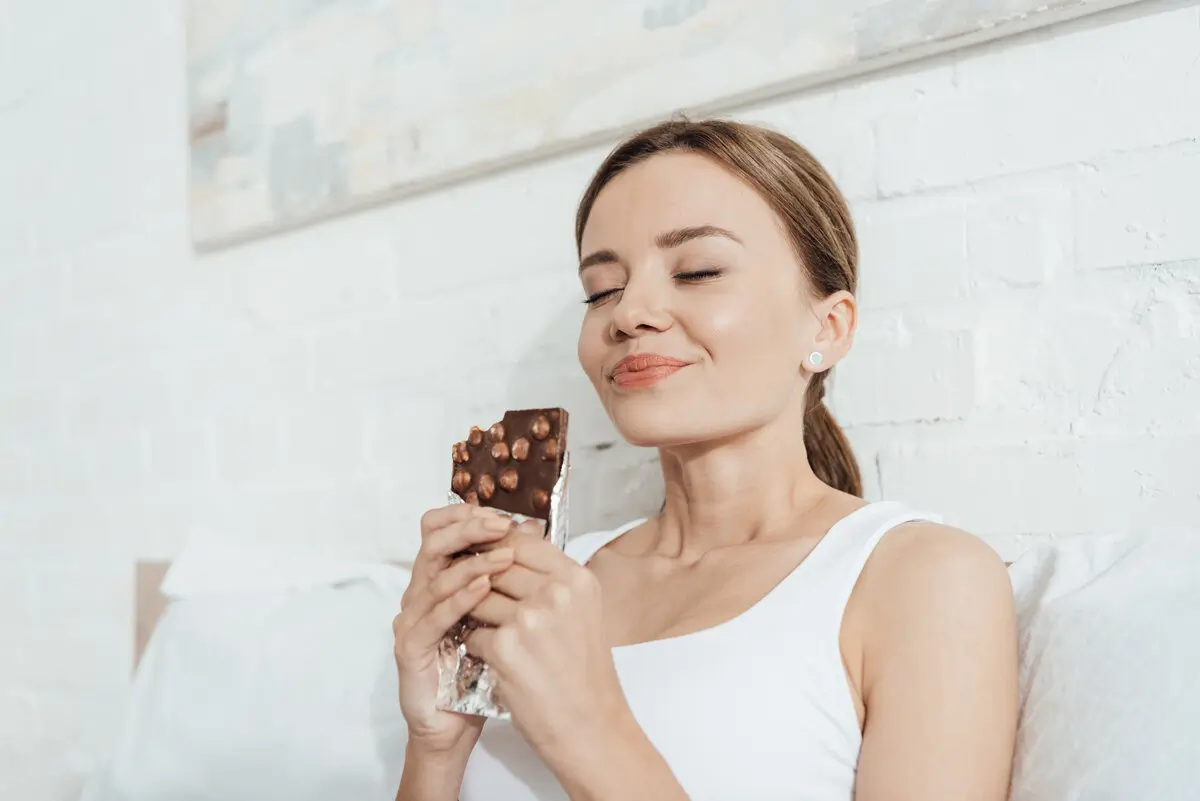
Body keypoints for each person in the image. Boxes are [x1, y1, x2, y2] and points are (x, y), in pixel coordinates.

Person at [392, 118, 1019, 801]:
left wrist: (590, 727)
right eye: (602, 288)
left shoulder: (921, 578)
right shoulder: (547, 587)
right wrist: (437, 746)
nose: (629, 311)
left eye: (697, 271)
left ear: (827, 327)